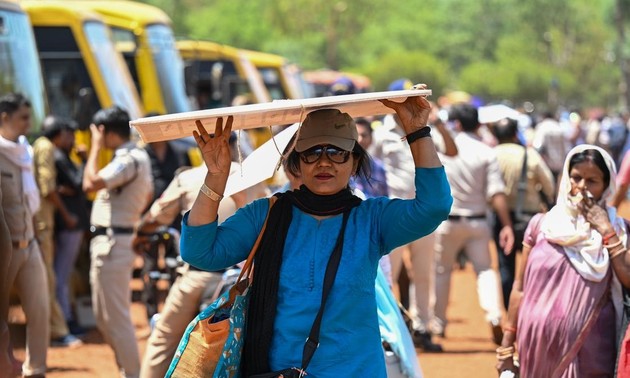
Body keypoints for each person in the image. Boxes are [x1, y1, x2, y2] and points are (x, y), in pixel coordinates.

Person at [181, 86, 452, 376]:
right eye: (311, 153)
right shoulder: (267, 214)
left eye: (336, 152)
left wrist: (417, 131)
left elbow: (433, 207)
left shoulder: (372, 218)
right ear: (296, 162)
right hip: (279, 371)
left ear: (354, 161)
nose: (324, 162)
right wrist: (216, 177)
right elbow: (199, 253)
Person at [136, 137, 268, 378]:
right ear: (234, 143)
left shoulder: (187, 177)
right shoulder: (253, 175)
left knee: (163, 338)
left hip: (195, 275)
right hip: (237, 281)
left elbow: (157, 215)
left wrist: (139, 233)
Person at [496, 145, 630, 377]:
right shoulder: (542, 225)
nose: (581, 187)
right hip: (536, 346)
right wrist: (507, 345)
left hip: (593, 347)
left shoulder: (619, 230)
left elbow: (628, 278)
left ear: (606, 186)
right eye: (576, 177)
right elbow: (519, 288)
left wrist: (605, 229)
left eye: (592, 181)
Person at [371, 82, 458, 352]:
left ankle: (423, 328)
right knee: (388, 276)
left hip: (424, 212)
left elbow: (453, 151)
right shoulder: (382, 133)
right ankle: (387, 331)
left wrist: (437, 121)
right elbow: (370, 168)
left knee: (424, 273)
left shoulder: (427, 127)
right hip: (394, 213)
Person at [432, 103, 514, 345]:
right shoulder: (486, 151)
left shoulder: (442, 148)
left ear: (455, 124)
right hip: (478, 220)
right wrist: (507, 224)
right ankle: (494, 315)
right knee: (485, 271)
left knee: (441, 272)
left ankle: (438, 324)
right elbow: (496, 193)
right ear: (478, 124)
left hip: (447, 221)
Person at [82, 105, 153, 378]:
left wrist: (95, 148)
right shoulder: (137, 157)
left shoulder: (127, 158)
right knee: (104, 317)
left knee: (117, 318)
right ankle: (128, 371)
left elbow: (90, 184)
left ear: (105, 132)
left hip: (113, 243)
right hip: (114, 241)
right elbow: (147, 196)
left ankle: (133, 374)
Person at [0, 93, 50, 378]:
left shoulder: (25, 152)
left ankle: (36, 371)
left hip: (29, 244)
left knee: (39, 311)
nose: (29, 124)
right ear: (4, 118)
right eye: (23, 117)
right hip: (4, 250)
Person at [491, 118, 555, 309]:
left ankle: (510, 310)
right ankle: (531, 308)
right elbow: (549, 186)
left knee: (505, 266)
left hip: (501, 219)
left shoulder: (491, 155)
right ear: (514, 134)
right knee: (533, 266)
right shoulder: (529, 155)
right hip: (530, 220)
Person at [32, 115, 84, 348]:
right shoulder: (46, 147)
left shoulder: (42, 147)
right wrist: (66, 214)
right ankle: (59, 329)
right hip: (44, 223)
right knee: (52, 278)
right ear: (59, 134)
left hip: (46, 223)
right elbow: (48, 187)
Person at [52, 117, 90, 335]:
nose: (73, 139)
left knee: (63, 274)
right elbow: (79, 183)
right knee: (62, 275)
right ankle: (66, 320)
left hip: (71, 226)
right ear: (60, 135)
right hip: (69, 226)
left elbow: (74, 187)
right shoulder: (59, 156)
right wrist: (85, 160)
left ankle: (67, 317)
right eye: (70, 135)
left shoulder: (63, 156)